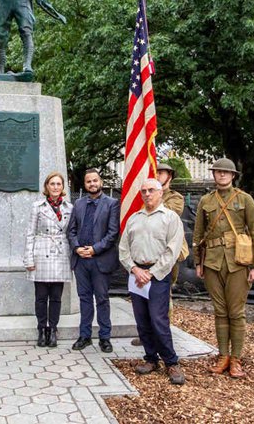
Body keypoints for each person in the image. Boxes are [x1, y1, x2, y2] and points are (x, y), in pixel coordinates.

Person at [192, 157, 254, 378]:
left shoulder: (245, 199)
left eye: (226, 172)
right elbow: (198, 234)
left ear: (233, 176)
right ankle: (223, 355)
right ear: (214, 175)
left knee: (236, 312)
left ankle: (236, 359)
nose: (221, 175)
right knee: (220, 311)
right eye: (218, 172)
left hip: (238, 262)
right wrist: (198, 261)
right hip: (213, 262)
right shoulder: (206, 200)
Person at [119, 178, 186, 385]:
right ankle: (150, 358)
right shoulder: (134, 219)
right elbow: (123, 249)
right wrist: (134, 269)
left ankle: (171, 362)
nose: (147, 194)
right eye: (144, 191)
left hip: (157, 276)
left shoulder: (171, 218)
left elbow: (172, 250)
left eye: (151, 190)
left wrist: (152, 272)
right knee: (142, 319)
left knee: (158, 320)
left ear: (160, 193)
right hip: (136, 274)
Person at [131, 163, 189, 347]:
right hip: (145, 253)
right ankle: (147, 335)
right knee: (144, 295)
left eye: (161, 172)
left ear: (169, 176)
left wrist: (156, 195)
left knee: (163, 297)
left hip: (167, 254)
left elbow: (169, 213)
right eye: (156, 171)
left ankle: (162, 334)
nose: (157, 174)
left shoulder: (175, 198)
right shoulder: (146, 196)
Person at [67, 168, 120, 353]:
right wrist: (77, 247)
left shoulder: (112, 204)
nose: (92, 184)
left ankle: (105, 338)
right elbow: (71, 230)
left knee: (102, 299)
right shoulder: (78, 204)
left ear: (101, 182)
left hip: (101, 259)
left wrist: (95, 249)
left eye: (95, 181)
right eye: (88, 181)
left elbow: (113, 233)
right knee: (84, 299)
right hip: (81, 261)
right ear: (85, 184)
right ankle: (85, 336)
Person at [24, 172, 73, 348]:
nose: (55, 187)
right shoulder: (37, 206)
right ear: (46, 187)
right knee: (41, 296)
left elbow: (71, 233)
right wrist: (28, 259)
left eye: (58, 184)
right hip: (41, 251)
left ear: (62, 187)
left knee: (56, 297)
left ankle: (53, 329)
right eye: (52, 184)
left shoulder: (69, 207)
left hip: (60, 253)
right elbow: (30, 233)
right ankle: (41, 328)